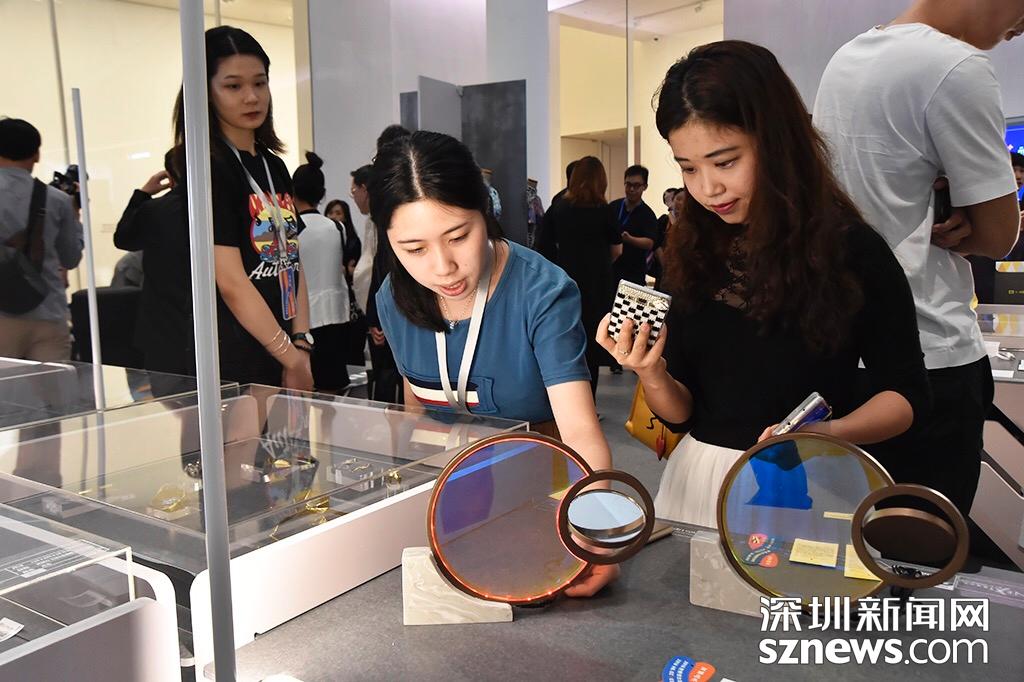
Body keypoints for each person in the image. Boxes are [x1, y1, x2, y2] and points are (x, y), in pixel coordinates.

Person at [598, 41, 930, 529]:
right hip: (700, 483)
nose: (707, 188)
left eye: (725, 162)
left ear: (776, 143)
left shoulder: (852, 250)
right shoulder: (691, 251)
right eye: (688, 168)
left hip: (808, 478)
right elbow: (681, 414)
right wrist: (651, 372)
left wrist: (829, 433)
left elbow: (905, 396)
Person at [371, 131, 616, 596]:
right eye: (414, 249)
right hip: (445, 502)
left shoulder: (541, 292)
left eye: (458, 236)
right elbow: (414, 410)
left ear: (486, 212)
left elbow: (581, 432)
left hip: (540, 496)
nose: (443, 267)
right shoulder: (393, 297)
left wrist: (593, 532)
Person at [813, 0, 1024, 516]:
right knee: (925, 540)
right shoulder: (957, 66)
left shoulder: (846, 58)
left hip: (849, 349)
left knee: (847, 535)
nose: (1019, 28)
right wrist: (971, 210)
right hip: (932, 350)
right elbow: (999, 237)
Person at [172, 25, 312, 389]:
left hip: (286, 342)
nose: (252, 97)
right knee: (249, 429)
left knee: (288, 430)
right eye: (233, 86)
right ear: (206, 92)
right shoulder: (207, 167)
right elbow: (231, 281)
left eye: (260, 83)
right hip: (235, 350)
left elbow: (293, 260)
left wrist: (302, 341)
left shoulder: (274, 165)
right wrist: (289, 356)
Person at [536, 156, 621, 396]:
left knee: (565, 337)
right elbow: (617, 249)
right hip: (597, 283)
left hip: (565, 281)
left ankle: (566, 395)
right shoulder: (605, 210)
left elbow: (543, 247)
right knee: (593, 340)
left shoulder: (559, 207)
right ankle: (589, 401)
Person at [0, 117, 83, 361]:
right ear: (36, 155)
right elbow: (70, 258)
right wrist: (76, 218)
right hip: (48, 313)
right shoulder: (58, 200)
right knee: (52, 384)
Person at [112, 148, 196, 375]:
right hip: (217, 328)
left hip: (164, 327)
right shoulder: (221, 205)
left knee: (172, 392)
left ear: (170, 177)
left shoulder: (154, 210)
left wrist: (142, 194)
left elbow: (123, 239)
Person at [293, 151, 353, 392]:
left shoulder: (292, 228)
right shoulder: (338, 227)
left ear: (292, 192)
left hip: (304, 318)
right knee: (335, 384)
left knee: (308, 388)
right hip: (337, 314)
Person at [609, 164, 658, 286]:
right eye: (628, 184)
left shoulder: (647, 214)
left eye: (636, 185)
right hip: (610, 270)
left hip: (633, 273)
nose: (631, 189)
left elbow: (650, 243)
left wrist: (630, 239)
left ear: (645, 187)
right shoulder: (613, 206)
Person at [652, 188, 687, 290]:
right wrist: (663, 260)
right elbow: (655, 241)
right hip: (664, 273)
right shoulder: (664, 220)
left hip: (684, 275)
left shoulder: (693, 225)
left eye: (684, 200)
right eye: (678, 199)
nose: (680, 203)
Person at [324, 198, 361, 275]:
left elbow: (357, 270)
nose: (333, 217)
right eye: (330, 213)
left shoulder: (354, 242)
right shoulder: (321, 238)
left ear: (345, 218)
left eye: (338, 213)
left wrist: (347, 270)